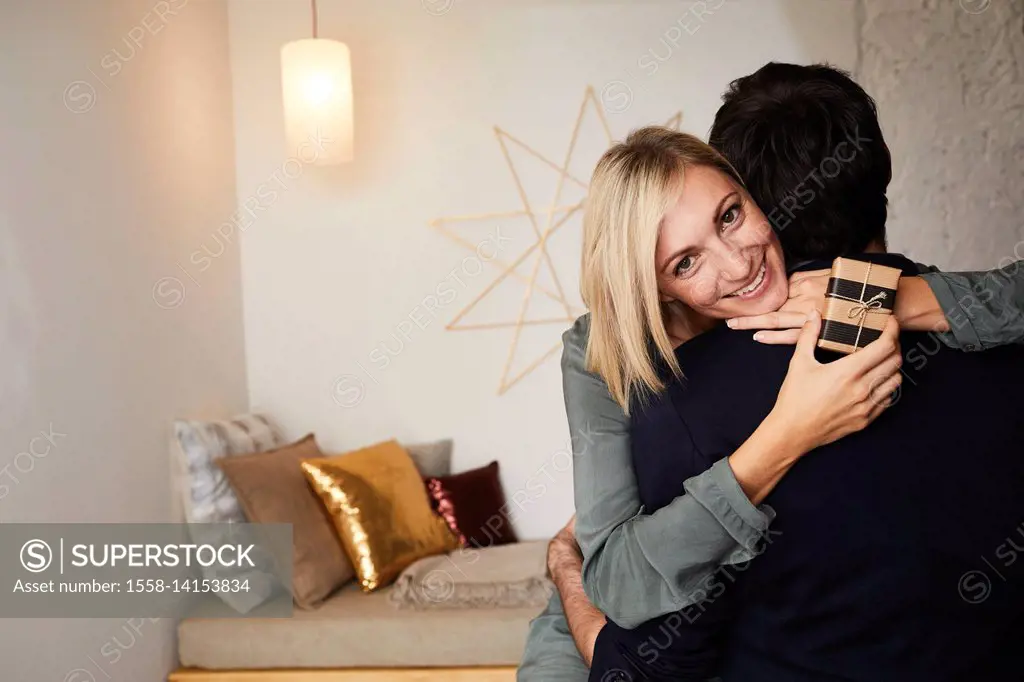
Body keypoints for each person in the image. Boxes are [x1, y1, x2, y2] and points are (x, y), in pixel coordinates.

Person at [518, 62, 1024, 682]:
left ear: (755, 195)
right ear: (655, 288)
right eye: (686, 263)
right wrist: (789, 431)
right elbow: (619, 586)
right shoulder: (613, 359)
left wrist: (899, 296)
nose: (737, 266)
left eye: (730, 215)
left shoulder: (838, 295)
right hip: (611, 575)